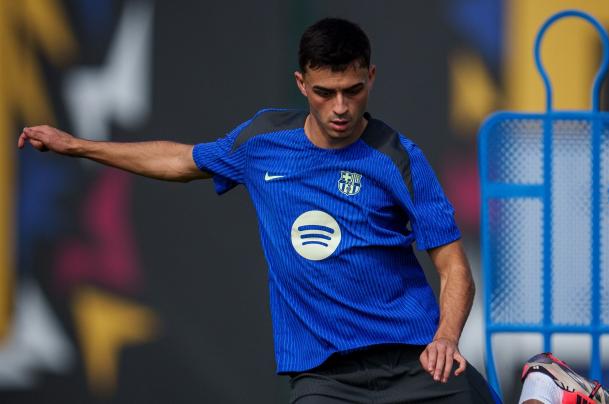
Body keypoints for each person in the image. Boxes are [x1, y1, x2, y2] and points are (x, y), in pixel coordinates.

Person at [18, 18, 498, 403]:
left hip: (417, 362)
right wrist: (79, 146)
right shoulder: (263, 141)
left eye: (352, 90)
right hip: (323, 379)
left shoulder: (398, 156)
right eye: (324, 92)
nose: (340, 107)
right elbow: (178, 160)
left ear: (371, 78)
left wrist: (447, 338)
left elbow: (455, 268)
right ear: (300, 82)